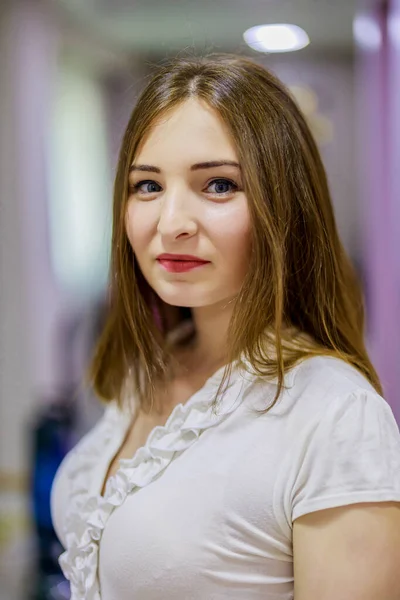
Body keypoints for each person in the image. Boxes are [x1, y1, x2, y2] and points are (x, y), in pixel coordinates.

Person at [50, 54, 400, 600]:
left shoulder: (335, 416)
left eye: (217, 185)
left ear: (283, 205)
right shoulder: (152, 367)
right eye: (147, 187)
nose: (172, 224)